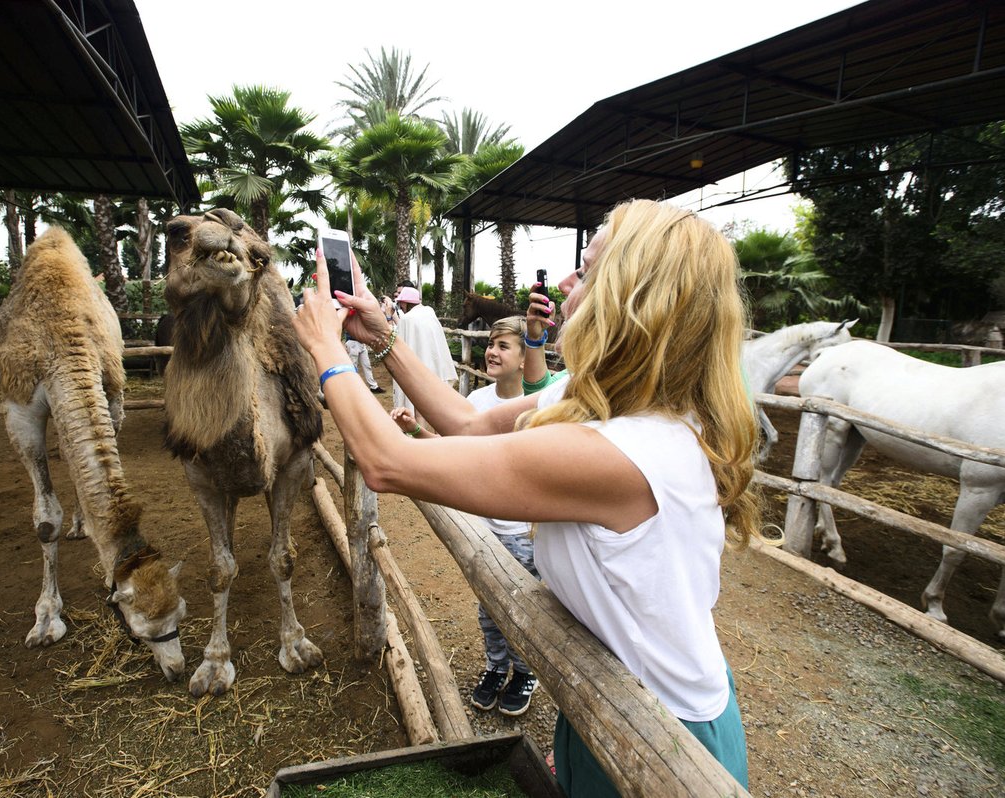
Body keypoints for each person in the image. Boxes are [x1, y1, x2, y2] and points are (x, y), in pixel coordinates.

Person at [292, 199, 757, 795]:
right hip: (615, 700)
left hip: (666, 736)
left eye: (586, 270)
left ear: (632, 294)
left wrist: (327, 351)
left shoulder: (623, 452)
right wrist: (381, 336)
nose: (564, 281)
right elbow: (465, 421)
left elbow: (389, 462)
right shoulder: (606, 398)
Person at [389, 316, 541, 716]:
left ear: (527, 358)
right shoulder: (475, 402)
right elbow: (449, 447)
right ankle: (496, 667)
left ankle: (526, 671)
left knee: (525, 607)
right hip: (484, 529)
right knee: (489, 605)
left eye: (503, 345)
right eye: (491, 343)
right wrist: (414, 432)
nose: (492, 351)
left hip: (524, 532)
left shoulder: (538, 406)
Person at [390, 286, 456, 430]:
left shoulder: (408, 319)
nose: (401, 305)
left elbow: (400, 343)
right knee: (435, 408)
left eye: (402, 302)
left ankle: (422, 440)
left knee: (419, 408)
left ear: (406, 303)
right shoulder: (429, 313)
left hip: (417, 372)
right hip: (435, 369)